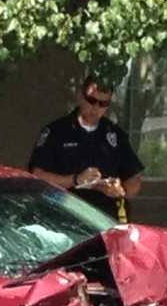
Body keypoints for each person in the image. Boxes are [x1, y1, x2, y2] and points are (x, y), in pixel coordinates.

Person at [27, 77, 143, 222]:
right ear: (80, 97)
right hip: (64, 219)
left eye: (103, 104)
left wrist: (121, 190)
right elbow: (37, 176)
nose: (95, 108)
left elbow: (134, 179)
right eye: (91, 100)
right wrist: (76, 179)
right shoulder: (56, 131)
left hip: (105, 220)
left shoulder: (114, 134)